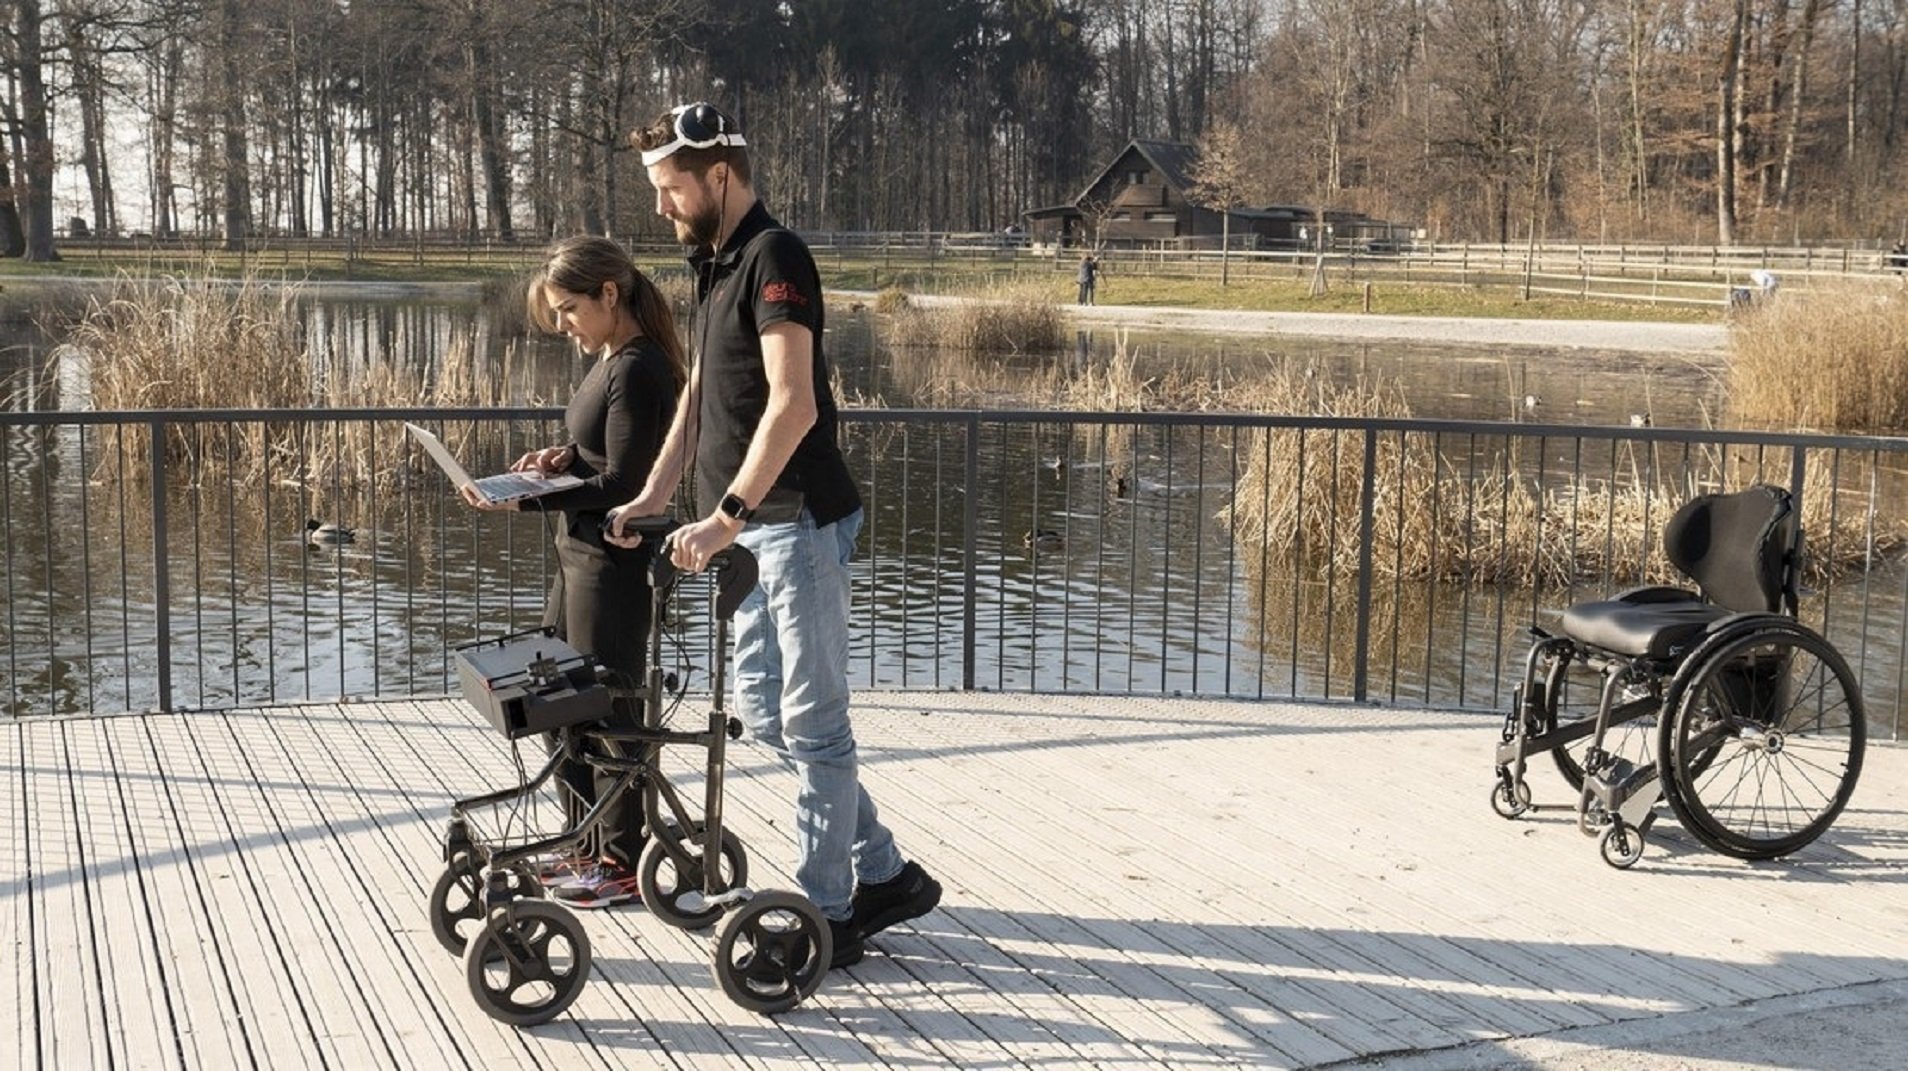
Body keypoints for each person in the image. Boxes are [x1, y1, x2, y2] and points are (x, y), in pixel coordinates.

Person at [605, 101, 940, 969]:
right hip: (749, 533)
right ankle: (886, 872)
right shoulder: (714, 264)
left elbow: (793, 403)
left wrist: (727, 517)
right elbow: (701, 399)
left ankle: (826, 917)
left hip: (794, 521)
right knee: (768, 712)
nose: (662, 206)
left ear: (719, 175)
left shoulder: (776, 257)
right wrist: (655, 494)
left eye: (670, 188)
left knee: (816, 725)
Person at [462, 235, 685, 908]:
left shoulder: (641, 367)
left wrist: (526, 493)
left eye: (567, 310)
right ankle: (583, 841)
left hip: (611, 570)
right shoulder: (613, 359)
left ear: (608, 295)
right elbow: (599, 456)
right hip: (577, 558)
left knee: (609, 709)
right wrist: (559, 459)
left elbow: (627, 480)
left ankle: (620, 859)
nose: (563, 325)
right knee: (564, 709)